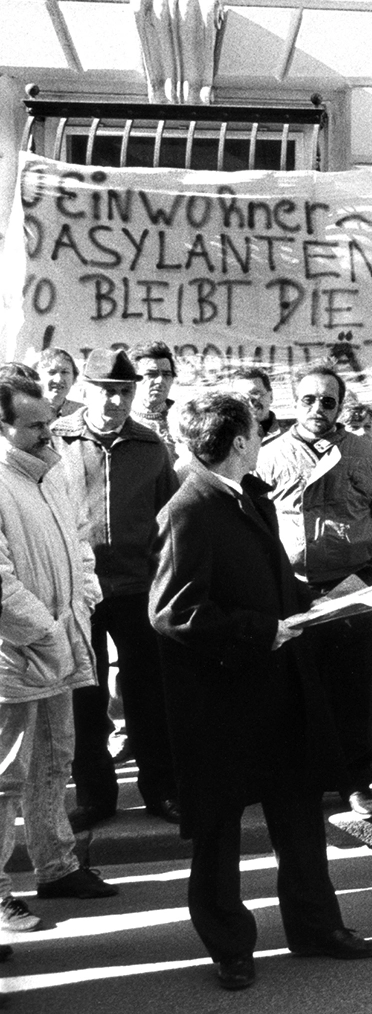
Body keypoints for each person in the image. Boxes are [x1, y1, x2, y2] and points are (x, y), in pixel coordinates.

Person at [151, 392, 372, 988]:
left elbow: (270, 584)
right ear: (239, 442)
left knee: (299, 814)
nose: (263, 438)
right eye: (256, 430)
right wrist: (261, 630)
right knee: (219, 830)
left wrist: (327, 604)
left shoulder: (247, 495)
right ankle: (229, 946)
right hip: (221, 702)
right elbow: (174, 612)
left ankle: (315, 927)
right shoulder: (188, 509)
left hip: (278, 690)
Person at [257, 362, 372, 820]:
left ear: (340, 407)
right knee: (298, 689)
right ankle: (305, 779)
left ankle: (355, 779)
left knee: (353, 689)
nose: (317, 408)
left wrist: (369, 568)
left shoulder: (364, 453)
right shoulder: (269, 455)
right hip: (293, 590)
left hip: (351, 587)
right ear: (293, 402)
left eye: (328, 401)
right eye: (308, 400)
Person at [0, 375, 115, 935]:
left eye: (49, 420)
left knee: (53, 760)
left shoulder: (51, 469)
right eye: (35, 425)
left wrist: (83, 600)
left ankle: (57, 866)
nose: (49, 432)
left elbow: (80, 541)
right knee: (4, 778)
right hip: (15, 657)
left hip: (58, 644)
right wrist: (47, 632)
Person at [54, 348, 182, 831]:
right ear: (85, 390)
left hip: (137, 588)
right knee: (85, 698)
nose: (116, 401)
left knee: (149, 695)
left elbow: (169, 520)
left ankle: (161, 789)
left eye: (125, 392)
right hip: (79, 590)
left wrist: (162, 581)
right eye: (106, 391)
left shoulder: (150, 446)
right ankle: (95, 797)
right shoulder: (58, 440)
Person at [127, 340, 179, 457]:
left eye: (166, 374)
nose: (160, 380)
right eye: (151, 374)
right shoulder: (122, 420)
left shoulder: (184, 418)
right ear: (133, 379)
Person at [221, 367, 280, 441]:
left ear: (271, 396)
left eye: (255, 393)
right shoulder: (223, 439)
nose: (249, 401)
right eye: (241, 396)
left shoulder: (290, 435)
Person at [37, 348, 81, 419]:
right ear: (38, 377)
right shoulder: (26, 410)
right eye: (52, 372)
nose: (58, 380)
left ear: (74, 378)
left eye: (64, 372)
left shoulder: (81, 413)